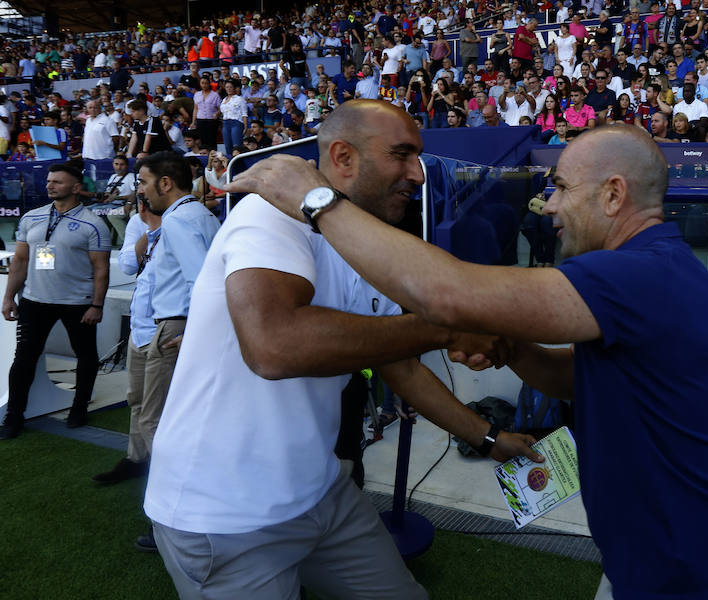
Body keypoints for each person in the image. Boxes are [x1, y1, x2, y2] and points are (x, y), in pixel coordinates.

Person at [227, 117, 708, 600]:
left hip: (687, 581)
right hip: (649, 565)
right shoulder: (657, 271)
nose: (548, 204)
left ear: (613, 195)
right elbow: (570, 378)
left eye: (560, 188)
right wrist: (511, 347)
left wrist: (318, 201)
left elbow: (447, 293)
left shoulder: (642, 274)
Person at [144, 100, 540, 598]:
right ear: (343, 157)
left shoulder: (362, 241)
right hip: (225, 513)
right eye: (401, 154)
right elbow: (274, 346)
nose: (417, 174)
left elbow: (400, 365)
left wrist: (487, 437)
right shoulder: (271, 211)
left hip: (322, 493)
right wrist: (444, 330)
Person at [132, 152, 220, 551]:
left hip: (177, 327)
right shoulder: (199, 215)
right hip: (182, 324)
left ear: (165, 183)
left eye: (144, 182)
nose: (140, 190)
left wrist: (197, 331)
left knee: (155, 424)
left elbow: (202, 279)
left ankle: (171, 521)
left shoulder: (179, 219)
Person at [0, 163, 111, 439]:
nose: (50, 185)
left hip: (78, 303)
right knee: (24, 359)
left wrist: (97, 305)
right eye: (49, 181)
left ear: (76, 188)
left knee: (85, 355)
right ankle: (14, 416)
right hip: (35, 301)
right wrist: (9, 297)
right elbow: (20, 261)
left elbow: (101, 269)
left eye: (57, 182)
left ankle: (79, 407)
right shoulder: (31, 218)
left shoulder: (93, 224)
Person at [92, 196, 160, 484]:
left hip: (168, 327)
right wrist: (150, 228)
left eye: (144, 183)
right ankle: (137, 458)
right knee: (136, 399)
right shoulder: (137, 221)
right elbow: (130, 265)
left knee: (158, 409)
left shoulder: (188, 221)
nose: (138, 194)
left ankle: (166, 471)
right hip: (140, 325)